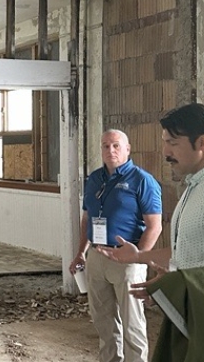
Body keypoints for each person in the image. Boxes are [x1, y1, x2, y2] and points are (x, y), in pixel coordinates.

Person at [98, 103, 204, 348]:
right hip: (198, 319)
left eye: (173, 143)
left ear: (202, 143)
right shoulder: (197, 186)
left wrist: (179, 284)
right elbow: (191, 252)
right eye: (165, 142)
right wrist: (141, 256)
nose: (165, 152)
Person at [69, 129, 162, 362]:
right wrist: (81, 252)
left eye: (116, 145)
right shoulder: (94, 179)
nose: (110, 150)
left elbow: (155, 227)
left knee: (132, 323)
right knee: (103, 321)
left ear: (127, 149)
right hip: (97, 256)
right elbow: (87, 218)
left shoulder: (143, 181)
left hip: (127, 260)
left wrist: (137, 257)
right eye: (105, 146)